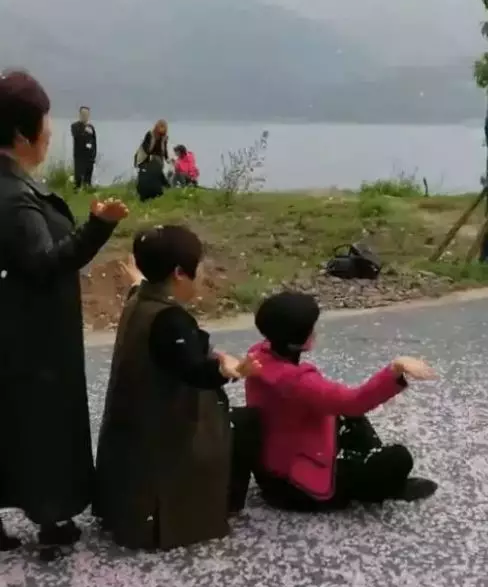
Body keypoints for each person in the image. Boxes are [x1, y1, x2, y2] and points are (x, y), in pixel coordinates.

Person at [0, 70, 129, 558]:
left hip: (12, 322)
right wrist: (98, 226)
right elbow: (44, 263)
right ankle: (51, 516)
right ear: (22, 133)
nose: (51, 133)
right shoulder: (15, 198)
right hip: (32, 332)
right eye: (46, 123)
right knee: (42, 422)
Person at [95, 225, 261, 551]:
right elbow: (193, 371)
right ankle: (216, 506)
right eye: (199, 267)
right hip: (165, 433)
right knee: (244, 425)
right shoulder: (170, 320)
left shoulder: (140, 300)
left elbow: (142, 292)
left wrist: (138, 278)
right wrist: (228, 370)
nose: (203, 274)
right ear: (179, 274)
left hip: (133, 427)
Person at [245, 291, 438, 512]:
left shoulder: (257, 356)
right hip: (297, 487)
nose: (315, 332)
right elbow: (354, 402)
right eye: (311, 327)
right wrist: (396, 369)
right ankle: (381, 485)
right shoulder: (296, 382)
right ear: (298, 341)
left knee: (350, 420)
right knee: (399, 458)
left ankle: (370, 461)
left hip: (272, 468)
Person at [71, 106, 97, 190]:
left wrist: (94, 155)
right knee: (78, 177)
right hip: (79, 156)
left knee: (88, 179)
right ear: (80, 114)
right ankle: (76, 191)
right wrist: (85, 130)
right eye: (83, 114)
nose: (85, 116)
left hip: (89, 157)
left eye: (86, 114)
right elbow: (76, 135)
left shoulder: (91, 127)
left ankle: (87, 190)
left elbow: (94, 142)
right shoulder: (75, 126)